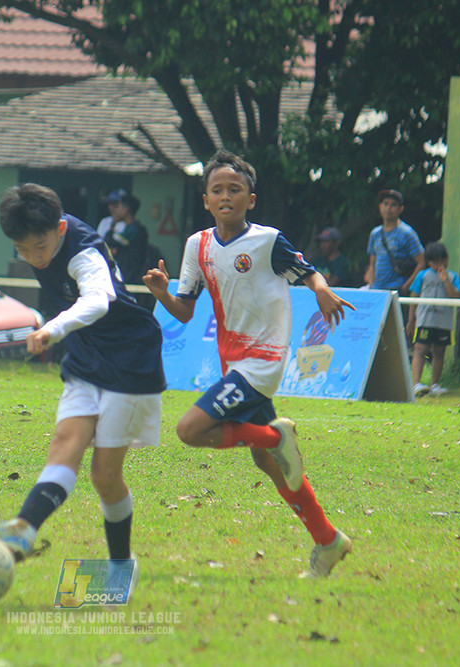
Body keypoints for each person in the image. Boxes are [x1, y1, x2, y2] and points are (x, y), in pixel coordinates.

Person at [143, 149, 355, 578]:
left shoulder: (267, 241)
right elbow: (185, 310)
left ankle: (273, 435)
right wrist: (162, 293)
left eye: (234, 190)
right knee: (268, 462)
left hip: (263, 360)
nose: (226, 197)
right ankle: (328, 540)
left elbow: (307, 270)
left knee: (189, 430)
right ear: (205, 200)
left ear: (250, 200)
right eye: (217, 190)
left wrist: (321, 288)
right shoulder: (196, 245)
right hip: (233, 363)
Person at [0, 183, 165, 588]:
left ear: (61, 228)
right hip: (87, 353)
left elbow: (99, 300)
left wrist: (53, 328)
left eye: (41, 245)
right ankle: (24, 529)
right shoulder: (40, 244)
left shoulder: (84, 251)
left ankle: (121, 570)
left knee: (105, 476)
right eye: (24, 250)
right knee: (65, 441)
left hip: (130, 356)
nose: (36, 257)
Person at [406, 242, 460, 397]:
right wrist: (411, 320)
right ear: (429, 262)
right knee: (420, 350)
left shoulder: (453, 276)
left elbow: (456, 296)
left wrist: (446, 280)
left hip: (443, 322)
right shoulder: (422, 275)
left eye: (442, 260)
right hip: (425, 320)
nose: (439, 264)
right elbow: (414, 297)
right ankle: (416, 384)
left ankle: (435, 385)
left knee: (439, 351)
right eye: (434, 261)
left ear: (447, 259)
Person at [367, 189, 424, 295]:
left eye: (393, 205)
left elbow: (422, 261)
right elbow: (372, 263)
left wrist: (406, 286)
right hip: (377, 291)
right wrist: (371, 286)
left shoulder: (407, 233)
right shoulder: (375, 233)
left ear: (400, 209)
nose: (388, 208)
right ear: (380, 207)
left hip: (396, 290)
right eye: (386, 204)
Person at [98, 189, 149, 284]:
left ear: (126, 209)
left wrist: (112, 225)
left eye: (118, 207)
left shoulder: (134, 229)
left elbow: (110, 242)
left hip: (131, 275)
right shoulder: (129, 228)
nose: (115, 210)